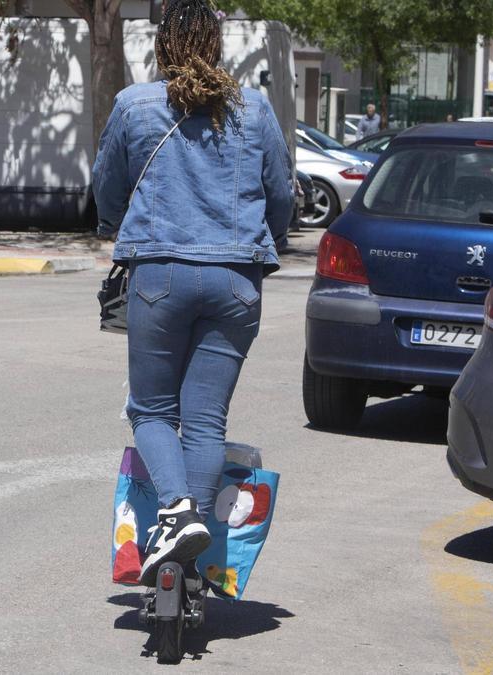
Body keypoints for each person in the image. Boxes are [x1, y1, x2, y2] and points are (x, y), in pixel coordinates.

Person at [92, 0, 293, 587]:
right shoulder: (253, 109)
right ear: (217, 46)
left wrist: (112, 224)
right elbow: (280, 192)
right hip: (236, 280)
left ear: (163, 47)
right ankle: (195, 540)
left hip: (160, 276)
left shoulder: (135, 105)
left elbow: (108, 184)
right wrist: (268, 241)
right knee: (205, 420)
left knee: (152, 411)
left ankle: (176, 512)